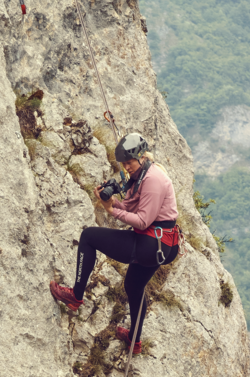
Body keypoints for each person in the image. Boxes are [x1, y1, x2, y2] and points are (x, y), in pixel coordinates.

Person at [49, 132, 181, 354]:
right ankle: (134, 341)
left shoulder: (153, 180)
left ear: (140, 157)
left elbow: (141, 221)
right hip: (159, 244)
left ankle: (75, 296)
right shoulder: (143, 174)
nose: (126, 167)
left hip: (151, 243)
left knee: (89, 237)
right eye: (124, 163)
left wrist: (111, 211)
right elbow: (134, 209)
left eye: (129, 162)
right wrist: (112, 201)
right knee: (133, 286)